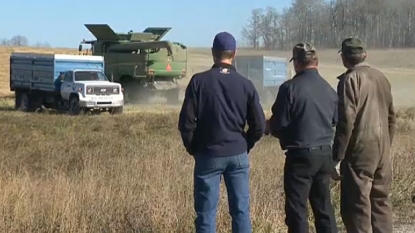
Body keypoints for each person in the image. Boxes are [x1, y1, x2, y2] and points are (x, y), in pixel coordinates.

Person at [178, 31, 266, 233]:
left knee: (206, 213)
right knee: (241, 211)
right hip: (238, 154)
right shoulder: (246, 84)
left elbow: (186, 123)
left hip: (208, 154)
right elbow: (259, 125)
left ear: (213, 53)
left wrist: (194, 149)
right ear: (234, 54)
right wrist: (246, 144)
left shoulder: (198, 82)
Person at [265, 42, 338, 233]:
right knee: (324, 207)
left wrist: (268, 127)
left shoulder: (289, 88)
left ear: (296, 63)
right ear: (317, 62)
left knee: (297, 210)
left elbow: (279, 124)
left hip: (300, 156)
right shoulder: (329, 89)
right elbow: (335, 120)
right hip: (324, 155)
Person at [332, 37, 396, 233]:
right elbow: (392, 117)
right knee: (381, 202)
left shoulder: (350, 80)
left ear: (344, 58)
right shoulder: (381, 77)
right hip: (382, 149)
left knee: (357, 206)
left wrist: (337, 157)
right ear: (365, 55)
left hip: (359, 150)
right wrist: (386, 145)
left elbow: (346, 122)